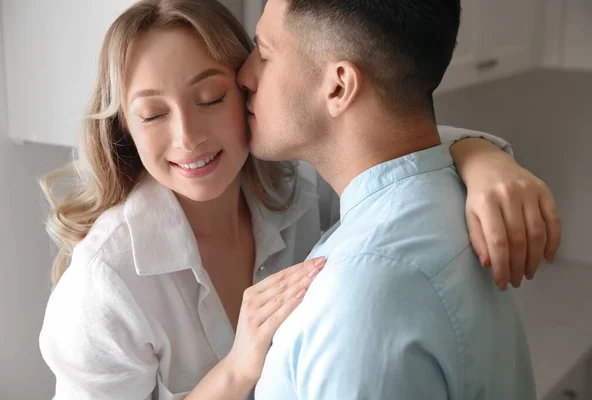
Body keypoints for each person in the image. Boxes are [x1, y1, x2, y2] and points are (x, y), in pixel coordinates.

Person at [38, 0, 560, 399]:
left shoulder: (300, 188)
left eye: (212, 97)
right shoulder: (104, 282)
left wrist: (481, 157)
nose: (188, 137)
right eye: (152, 115)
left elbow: (393, 155)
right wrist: (235, 371)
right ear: (125, 128)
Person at [235, 0, 546, 399]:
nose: (245, 74)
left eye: (264, 54)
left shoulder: (359, 299)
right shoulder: (456, 197)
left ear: (338, 86)